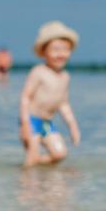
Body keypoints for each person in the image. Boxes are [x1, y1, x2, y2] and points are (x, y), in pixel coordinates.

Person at [19, 21, 81, 167]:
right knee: (32, 155)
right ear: (44, 52)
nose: (60, 54)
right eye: (55, 49)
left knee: (60, 154)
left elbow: (64, 104)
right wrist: (25, 124)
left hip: (46, 123)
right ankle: (27, 184)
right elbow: (25, 98)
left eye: (65, 49)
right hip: (32, 121)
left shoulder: (65, 77)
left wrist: (73, 127)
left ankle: (41, 172)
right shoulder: (38, 72)